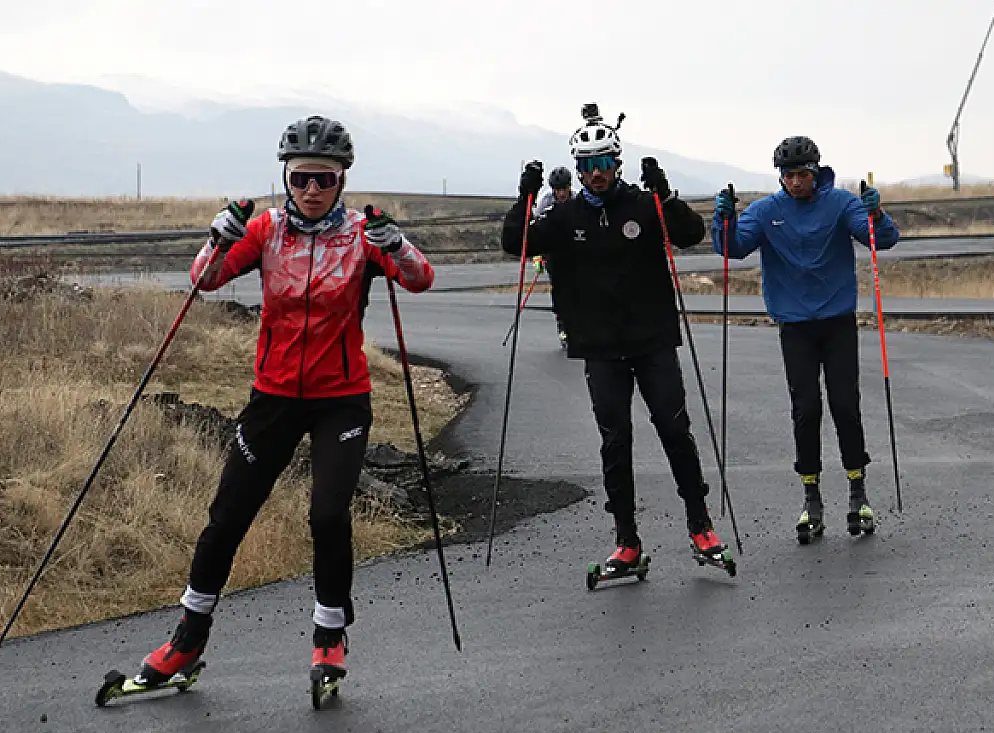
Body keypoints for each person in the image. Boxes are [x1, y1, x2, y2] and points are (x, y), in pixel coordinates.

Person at [135, 115, 435, 689]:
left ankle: (329, 636)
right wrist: (216, 237)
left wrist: (395, 243)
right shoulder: (267, 231)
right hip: (272, 397)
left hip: (340, 400)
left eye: (324, 179)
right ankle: (187, 640)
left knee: (327, 515)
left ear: (342, 179)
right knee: (228, 516)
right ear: (286, 178)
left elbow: (420, 279)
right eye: (301, 180)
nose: (313, 191)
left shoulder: (359, 237)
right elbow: (205, 280)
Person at [500, 103, 733, 575]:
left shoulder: (643, 206)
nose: (596, 173)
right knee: (615, 441)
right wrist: (524, 196)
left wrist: (664, 193)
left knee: (674, 431)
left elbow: (690, 233)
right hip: (600, 347)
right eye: (587, 165)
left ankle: (700, 525)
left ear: (617, 162)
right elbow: (516, 244)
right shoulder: (565, 218)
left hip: (652, 341)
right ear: (579, 170)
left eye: (604, 162)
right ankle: (626, 542)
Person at [711, 135, 900, 543]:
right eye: (788, 175)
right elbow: (733, 248)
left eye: (801, 174)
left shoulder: (842, 203)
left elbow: (880, 238)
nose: (795, 182)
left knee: (845, 405)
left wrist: (877, 213)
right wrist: (723, 220)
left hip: (836, 321)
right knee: (806, 408)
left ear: (816, 172)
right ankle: (810, 497)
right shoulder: (765, 211)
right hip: (794, 324)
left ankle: (858, 491)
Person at [532, 166, 575, 348]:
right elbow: (536, 231)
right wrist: (537, 257)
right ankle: (562, 325)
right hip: (552, 249)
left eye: (565, 188)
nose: (562, 193)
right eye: (558, 190)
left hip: (573, 248)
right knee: (559, 287)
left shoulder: (577, 199)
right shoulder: (545, 201)